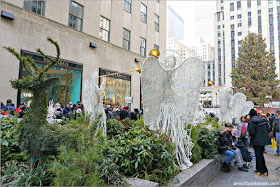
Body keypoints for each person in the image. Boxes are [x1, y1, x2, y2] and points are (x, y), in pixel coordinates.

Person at [247, 109, 271, 175]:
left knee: (258, 155)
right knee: (261, 155)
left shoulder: (251, 122)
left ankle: (259, 170)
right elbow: (269, 129)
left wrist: (250, 142)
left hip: (256, 140)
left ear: (251, 115)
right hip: (263, 140)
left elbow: (252, 132)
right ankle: (265, 171)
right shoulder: (263, 119)